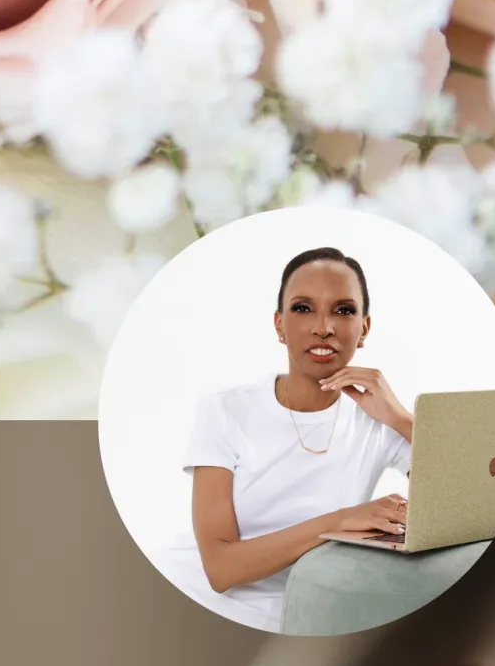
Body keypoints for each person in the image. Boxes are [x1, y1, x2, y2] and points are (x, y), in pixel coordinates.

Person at [158, 247, 414, 632]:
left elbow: (477, 492)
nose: (323, 327)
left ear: (364, 329)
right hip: (190, 602)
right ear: (279, 325)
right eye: (303, 308)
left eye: (343, 310)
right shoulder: (226, 410)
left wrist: (400, 417)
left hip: (300, 618)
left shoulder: (378, 423)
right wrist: (341, 522)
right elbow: (219, 569)